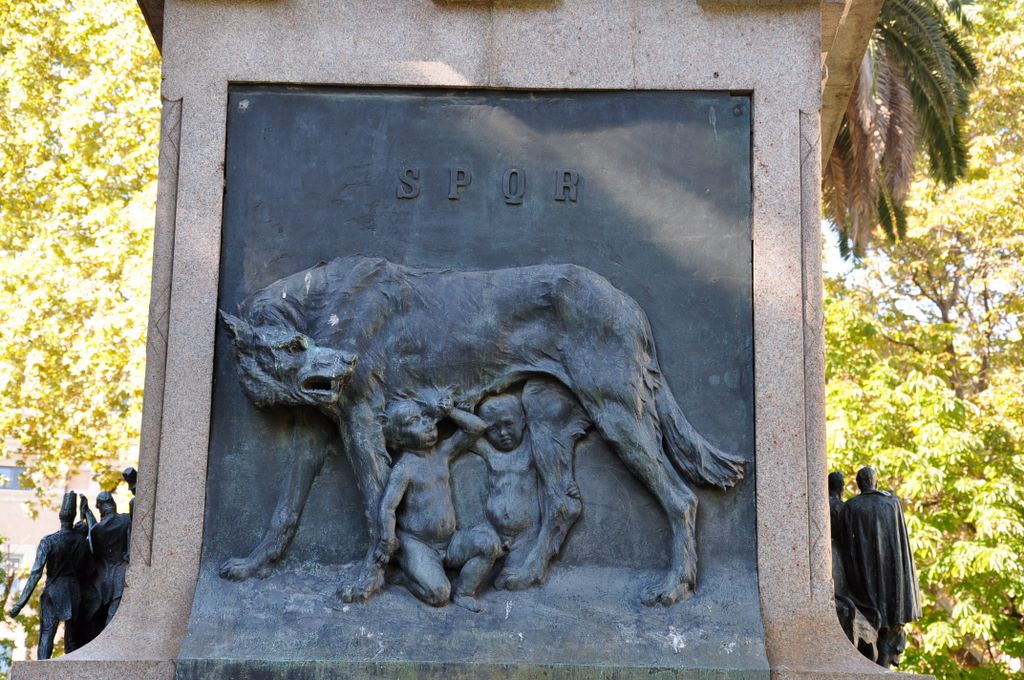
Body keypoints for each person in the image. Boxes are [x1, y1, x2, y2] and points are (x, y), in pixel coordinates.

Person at [376, 396, 503, 612]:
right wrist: (388, 538)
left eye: (424, 417)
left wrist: (450, 412)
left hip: (450, 542)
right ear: (398, 438)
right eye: (413, 422)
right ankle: (405, 576)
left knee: (489, 544)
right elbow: (388, 507)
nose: (426, 424)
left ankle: (464, 592)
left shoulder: (443, 453)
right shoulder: (404, 468)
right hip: (419, 545)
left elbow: (477, 428)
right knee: (439, 595)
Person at [843, 466, 921, 668]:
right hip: (891, 573)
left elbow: (847, 545)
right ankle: (882, 663)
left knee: (879, 621)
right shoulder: (892, 503)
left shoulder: (851, 506)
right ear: (874, 481)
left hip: (865, 574)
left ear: (859, 484)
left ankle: (879, 661)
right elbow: (901, 543)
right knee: (888, 622)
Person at [7, 492, 92, 659]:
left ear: (60, 517)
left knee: (47, 633)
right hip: (75, 593)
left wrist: (20, 603)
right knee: (73, 639)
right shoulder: (82, 541)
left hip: (53, 592)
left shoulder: (49, 541)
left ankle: (41, 671)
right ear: (73, 516)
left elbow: (35, 574)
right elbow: (88, 570)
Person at [470, 394, 541, 572]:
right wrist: (453, 409)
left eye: (508, 424)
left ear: (523, 421)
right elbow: (468, 431)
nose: (502, 433)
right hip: (492, 533)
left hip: (527, 536)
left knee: (509, 578)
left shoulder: (532, 449)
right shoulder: (490, 453)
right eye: (493, 429)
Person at [81, 491, 131, 626]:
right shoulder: (126, 519)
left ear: (101, 508)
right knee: (114, 615)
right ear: (113, 503)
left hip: (105, 577)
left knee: (105, 616)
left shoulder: (97, 529)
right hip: (123, 572)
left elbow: (96, 553)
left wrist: (87, 514)